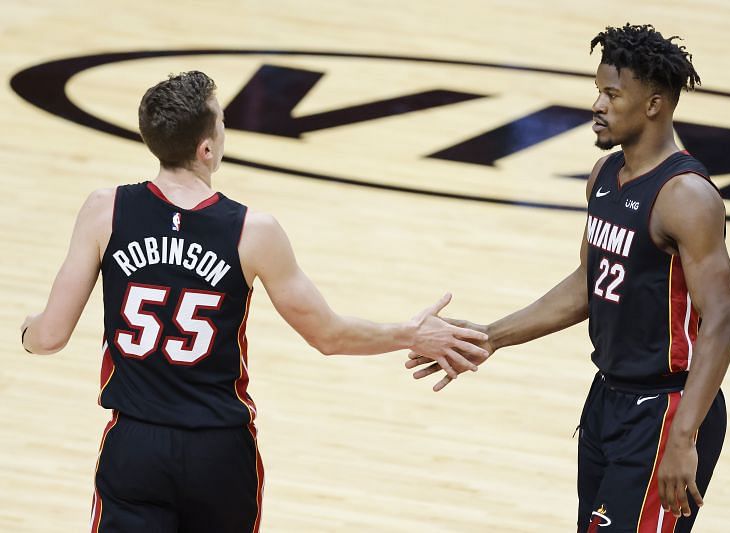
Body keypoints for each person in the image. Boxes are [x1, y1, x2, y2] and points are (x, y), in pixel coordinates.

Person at [19, 70, 487, 533]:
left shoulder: (106, 209)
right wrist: (409, 333)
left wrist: (26, 331)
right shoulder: (252, 231)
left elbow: (50, 337)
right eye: (220, 121)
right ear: (207, 148)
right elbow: (328, 335)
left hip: (135, 444)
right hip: (219, 451)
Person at [406, 24, 730, 532]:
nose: (598, 105)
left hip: (665, 409)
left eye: (611, 94)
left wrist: (683, 436)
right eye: (597, 92)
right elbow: (588, 282)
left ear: (653, 105)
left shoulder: (685, 196)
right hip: (607, 398)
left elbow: (723, 320)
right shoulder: (605, 176)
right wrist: (489, 337)